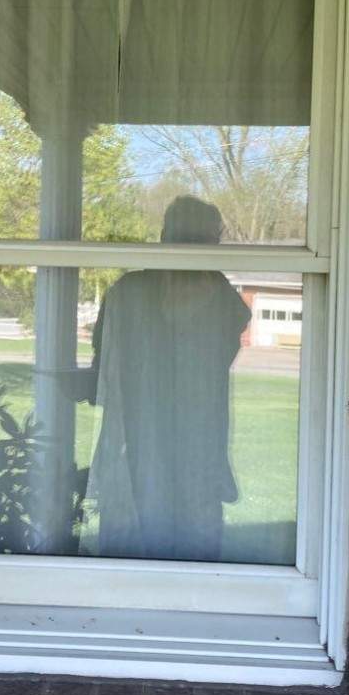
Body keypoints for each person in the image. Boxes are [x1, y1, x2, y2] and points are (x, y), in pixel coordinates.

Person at [86, 196, 251, 561]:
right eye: (211, 240)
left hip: (177, 443)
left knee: (147, 535)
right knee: (175, 537)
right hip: (151, 441)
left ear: (164, 236)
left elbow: (101, 375)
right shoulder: (131, 294)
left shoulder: (129, 292)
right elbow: (105, 370)